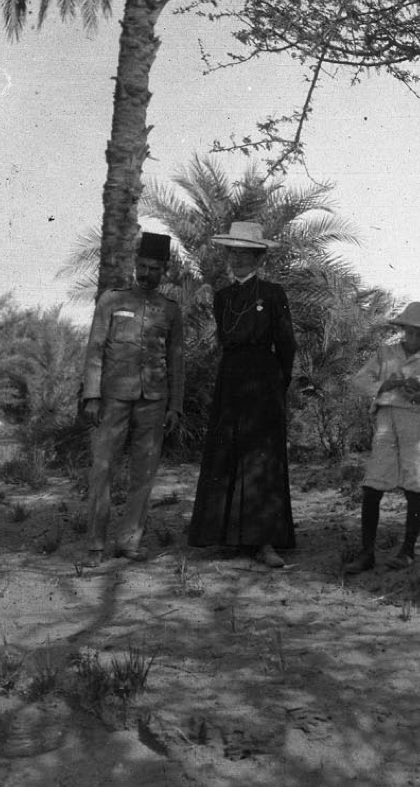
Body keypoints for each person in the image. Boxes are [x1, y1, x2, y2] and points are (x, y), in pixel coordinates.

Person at [188, 221, 297, 568]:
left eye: (246, 254)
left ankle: (264, 541)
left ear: (259, 258)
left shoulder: (273, 294)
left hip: (264, 379)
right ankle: (227, 536)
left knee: (262, 458)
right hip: (230, 378)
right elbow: (224, 339)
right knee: (227, 453)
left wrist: (278, 383)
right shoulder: (222, 298)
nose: (238, 260)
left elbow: (287, 345)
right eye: (233, 253)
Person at [80, 231, 185, 567]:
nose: (146, 273)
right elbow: (95, 349)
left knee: (144, 472)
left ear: (164, 270)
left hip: (153, 400)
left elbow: (177, 361)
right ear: (134, 265)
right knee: (102, 468)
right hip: (113, 399)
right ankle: (96, 543)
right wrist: (92, 395)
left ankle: (129, 542)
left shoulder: (170, 310)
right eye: (142, 266)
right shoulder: (111, 301)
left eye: (154, 268)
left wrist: (175, 405)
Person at [346, 302, 420, 573]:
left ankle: (407, 551)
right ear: (404, 329)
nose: (416, 337)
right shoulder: (385, 353)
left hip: (416, 425)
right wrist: (384, 385)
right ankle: (366, 553)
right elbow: (358, 381)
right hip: (386, 422)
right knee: (372, 486)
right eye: (412, 331)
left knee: (414, 488)